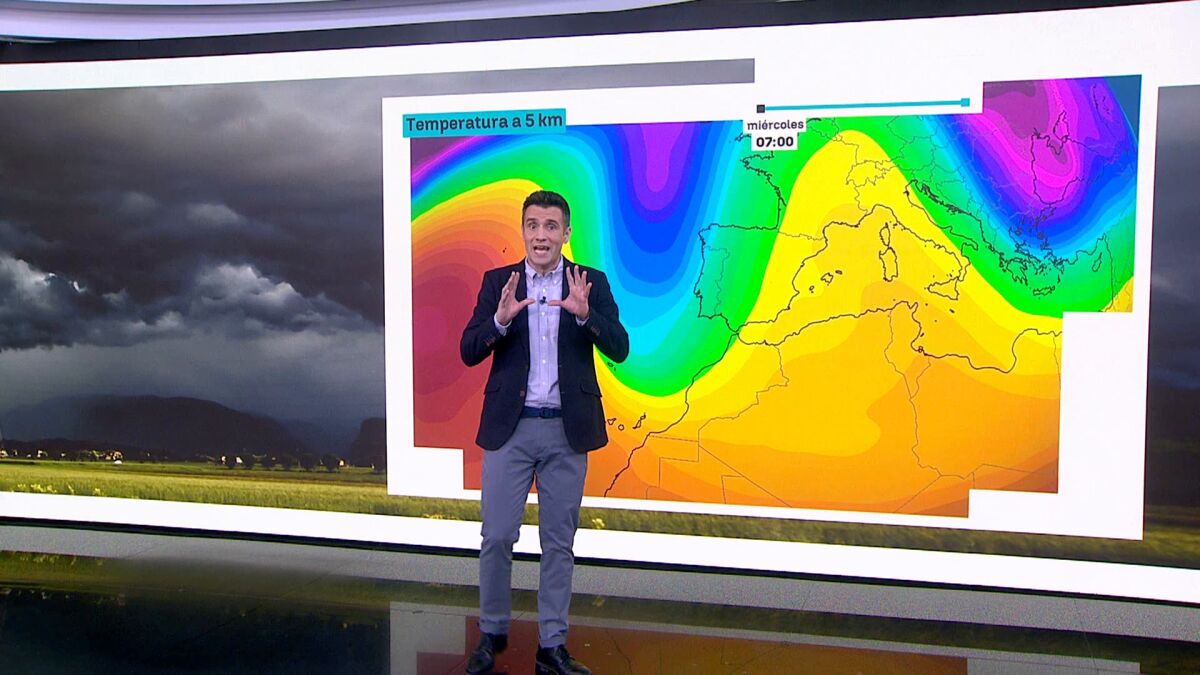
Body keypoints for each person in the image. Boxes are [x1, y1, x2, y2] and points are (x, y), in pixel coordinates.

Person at [460, 190, 629, 675]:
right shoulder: (500, 282)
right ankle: (492, 633)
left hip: (566, 432)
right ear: (523, 231)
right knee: (497, 536)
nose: (541, 235)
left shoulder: (589, 282)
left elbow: (620, 348)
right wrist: (499, 320)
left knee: (558, 543)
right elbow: (469, 350)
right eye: (533, 225)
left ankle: (552, 646)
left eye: (551, 226)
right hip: (509, 430)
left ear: (566, 233)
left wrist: (585, 314)